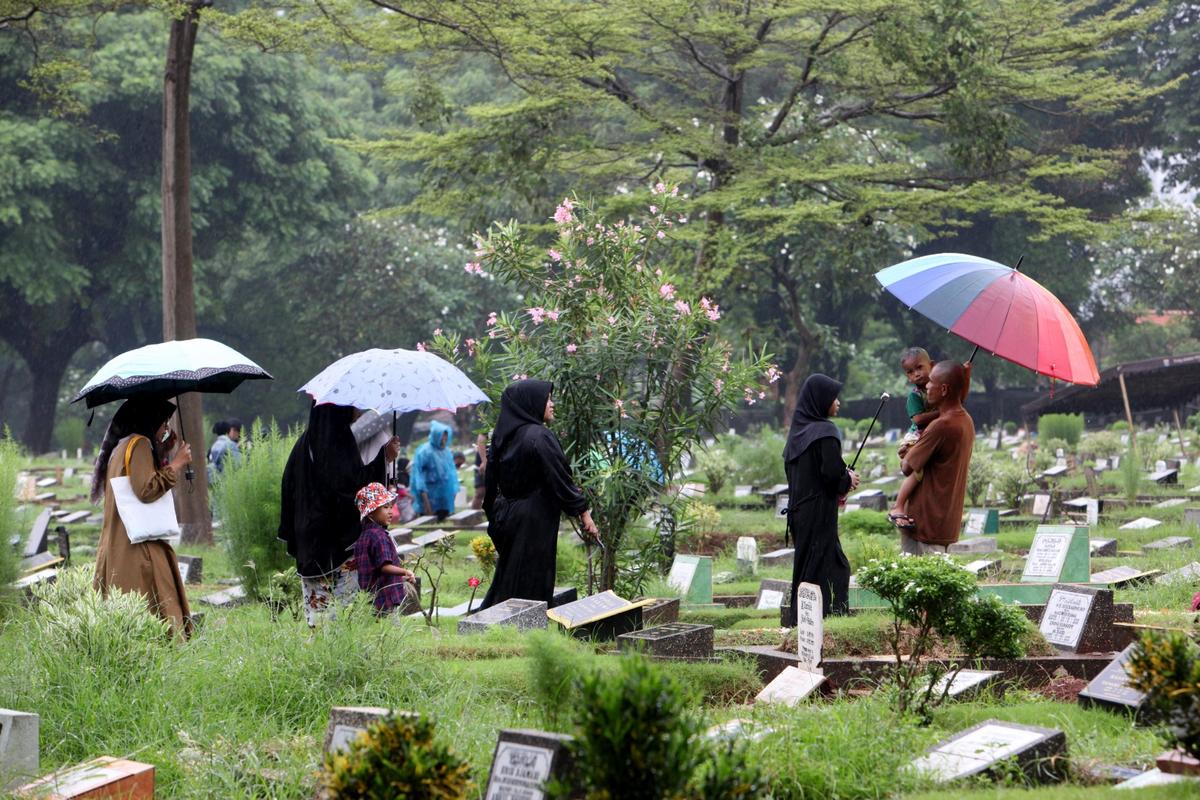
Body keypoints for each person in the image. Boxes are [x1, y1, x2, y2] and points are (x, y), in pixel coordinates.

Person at [279, 403, 402, 627]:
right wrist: (384, 457)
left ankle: (320, 652)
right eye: (352, 405)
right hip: (337, 541)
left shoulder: (304, 443)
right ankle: (342, 652)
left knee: (319, 610)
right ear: (337, 410)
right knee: (345, 611)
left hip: (309, 538)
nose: (358, 410)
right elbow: (353, 489)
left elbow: (288, 489)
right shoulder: (337, 442)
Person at [479, 379, 598, 609]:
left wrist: (495, 515)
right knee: (533, 576)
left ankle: (503, 620)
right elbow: (560, 478)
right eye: (547, 399)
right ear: (531, 403)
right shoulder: (539, 436)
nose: (552, 404)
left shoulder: (503, 436)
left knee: (511, 573)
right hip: (536, 517)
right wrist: (584, 513)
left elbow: (490, 483)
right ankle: (526, 625)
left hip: (509, 514)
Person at [91, 397, 194, 638]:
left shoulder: (122, 445)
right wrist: (176, 464)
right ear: (150, 419)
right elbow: (146, 489)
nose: (166, 429)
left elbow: (139, 477)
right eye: (164, 423)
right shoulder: (138, 445)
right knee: (153, 605)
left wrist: (165, 448)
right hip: (137, 548)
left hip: (121, 542)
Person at [783, 374, 860, 617]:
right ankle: (828, 616)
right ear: (820, 400)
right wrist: (848, 479)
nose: (838, 402)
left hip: (799, 513)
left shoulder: (798, 433)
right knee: (833, 566)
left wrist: (841, 477)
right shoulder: (825, 431)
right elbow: (830, 475)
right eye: (833, 397)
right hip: (818, 513)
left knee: (807, 566)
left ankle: (802, 618)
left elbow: (810, 473)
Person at [899, 361, 976, 554]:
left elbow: (907, 467)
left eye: (931, 382)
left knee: (921, 580)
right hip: (944, 519)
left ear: (943, 389)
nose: (926, 385)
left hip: (927, 521)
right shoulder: (965, 420)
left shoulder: (941, 426)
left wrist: (907, 451)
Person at [353, 482, 416, 616]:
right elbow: (384, 566)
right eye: (385, 507)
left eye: (391, 507)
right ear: (371, 512)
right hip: (384, 597)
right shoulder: (379, 536)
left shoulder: (365, 535)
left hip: (369, 597)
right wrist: (405, 571)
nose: (390, 511)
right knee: (391, 632)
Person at [888, 348, 934, 528]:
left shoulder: (938, 386)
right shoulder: (915, 396)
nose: (916, 374)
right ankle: (898, 505)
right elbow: (918, 419)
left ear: (932, 365)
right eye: (910, 372)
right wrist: (941, 413)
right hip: (915, 437)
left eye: (919, 368)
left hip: (928, 436)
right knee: (917, 472)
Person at [410, 420, 459, 520]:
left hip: (444, 497)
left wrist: (453, 492)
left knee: (443, 526)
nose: (443, 440)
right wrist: (426, 502)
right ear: (436, 436)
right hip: (429, 496)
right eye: (441, 437)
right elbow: (419, 476)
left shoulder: (447, 451)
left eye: (446, 437)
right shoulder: (425, 451)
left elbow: (452, 474)